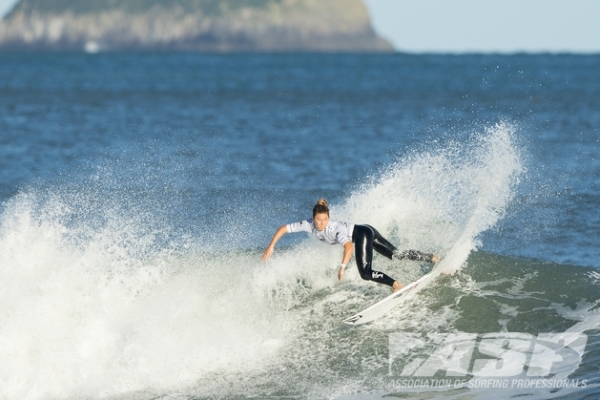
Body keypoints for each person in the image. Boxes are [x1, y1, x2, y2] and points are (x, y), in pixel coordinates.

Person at [262, 198, 439, 292]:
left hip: (362, 233)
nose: (321, 223)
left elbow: (348, 247)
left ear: (328, 218)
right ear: (313, 218)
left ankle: (395, 285)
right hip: (365, 229)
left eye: (324, 219)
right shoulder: (307, 224)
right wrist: (271, 246)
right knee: (395, 254)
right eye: (318, 219)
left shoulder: (334, 229)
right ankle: (432, 257)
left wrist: (343, 267)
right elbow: (284, 228)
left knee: (366, 272)